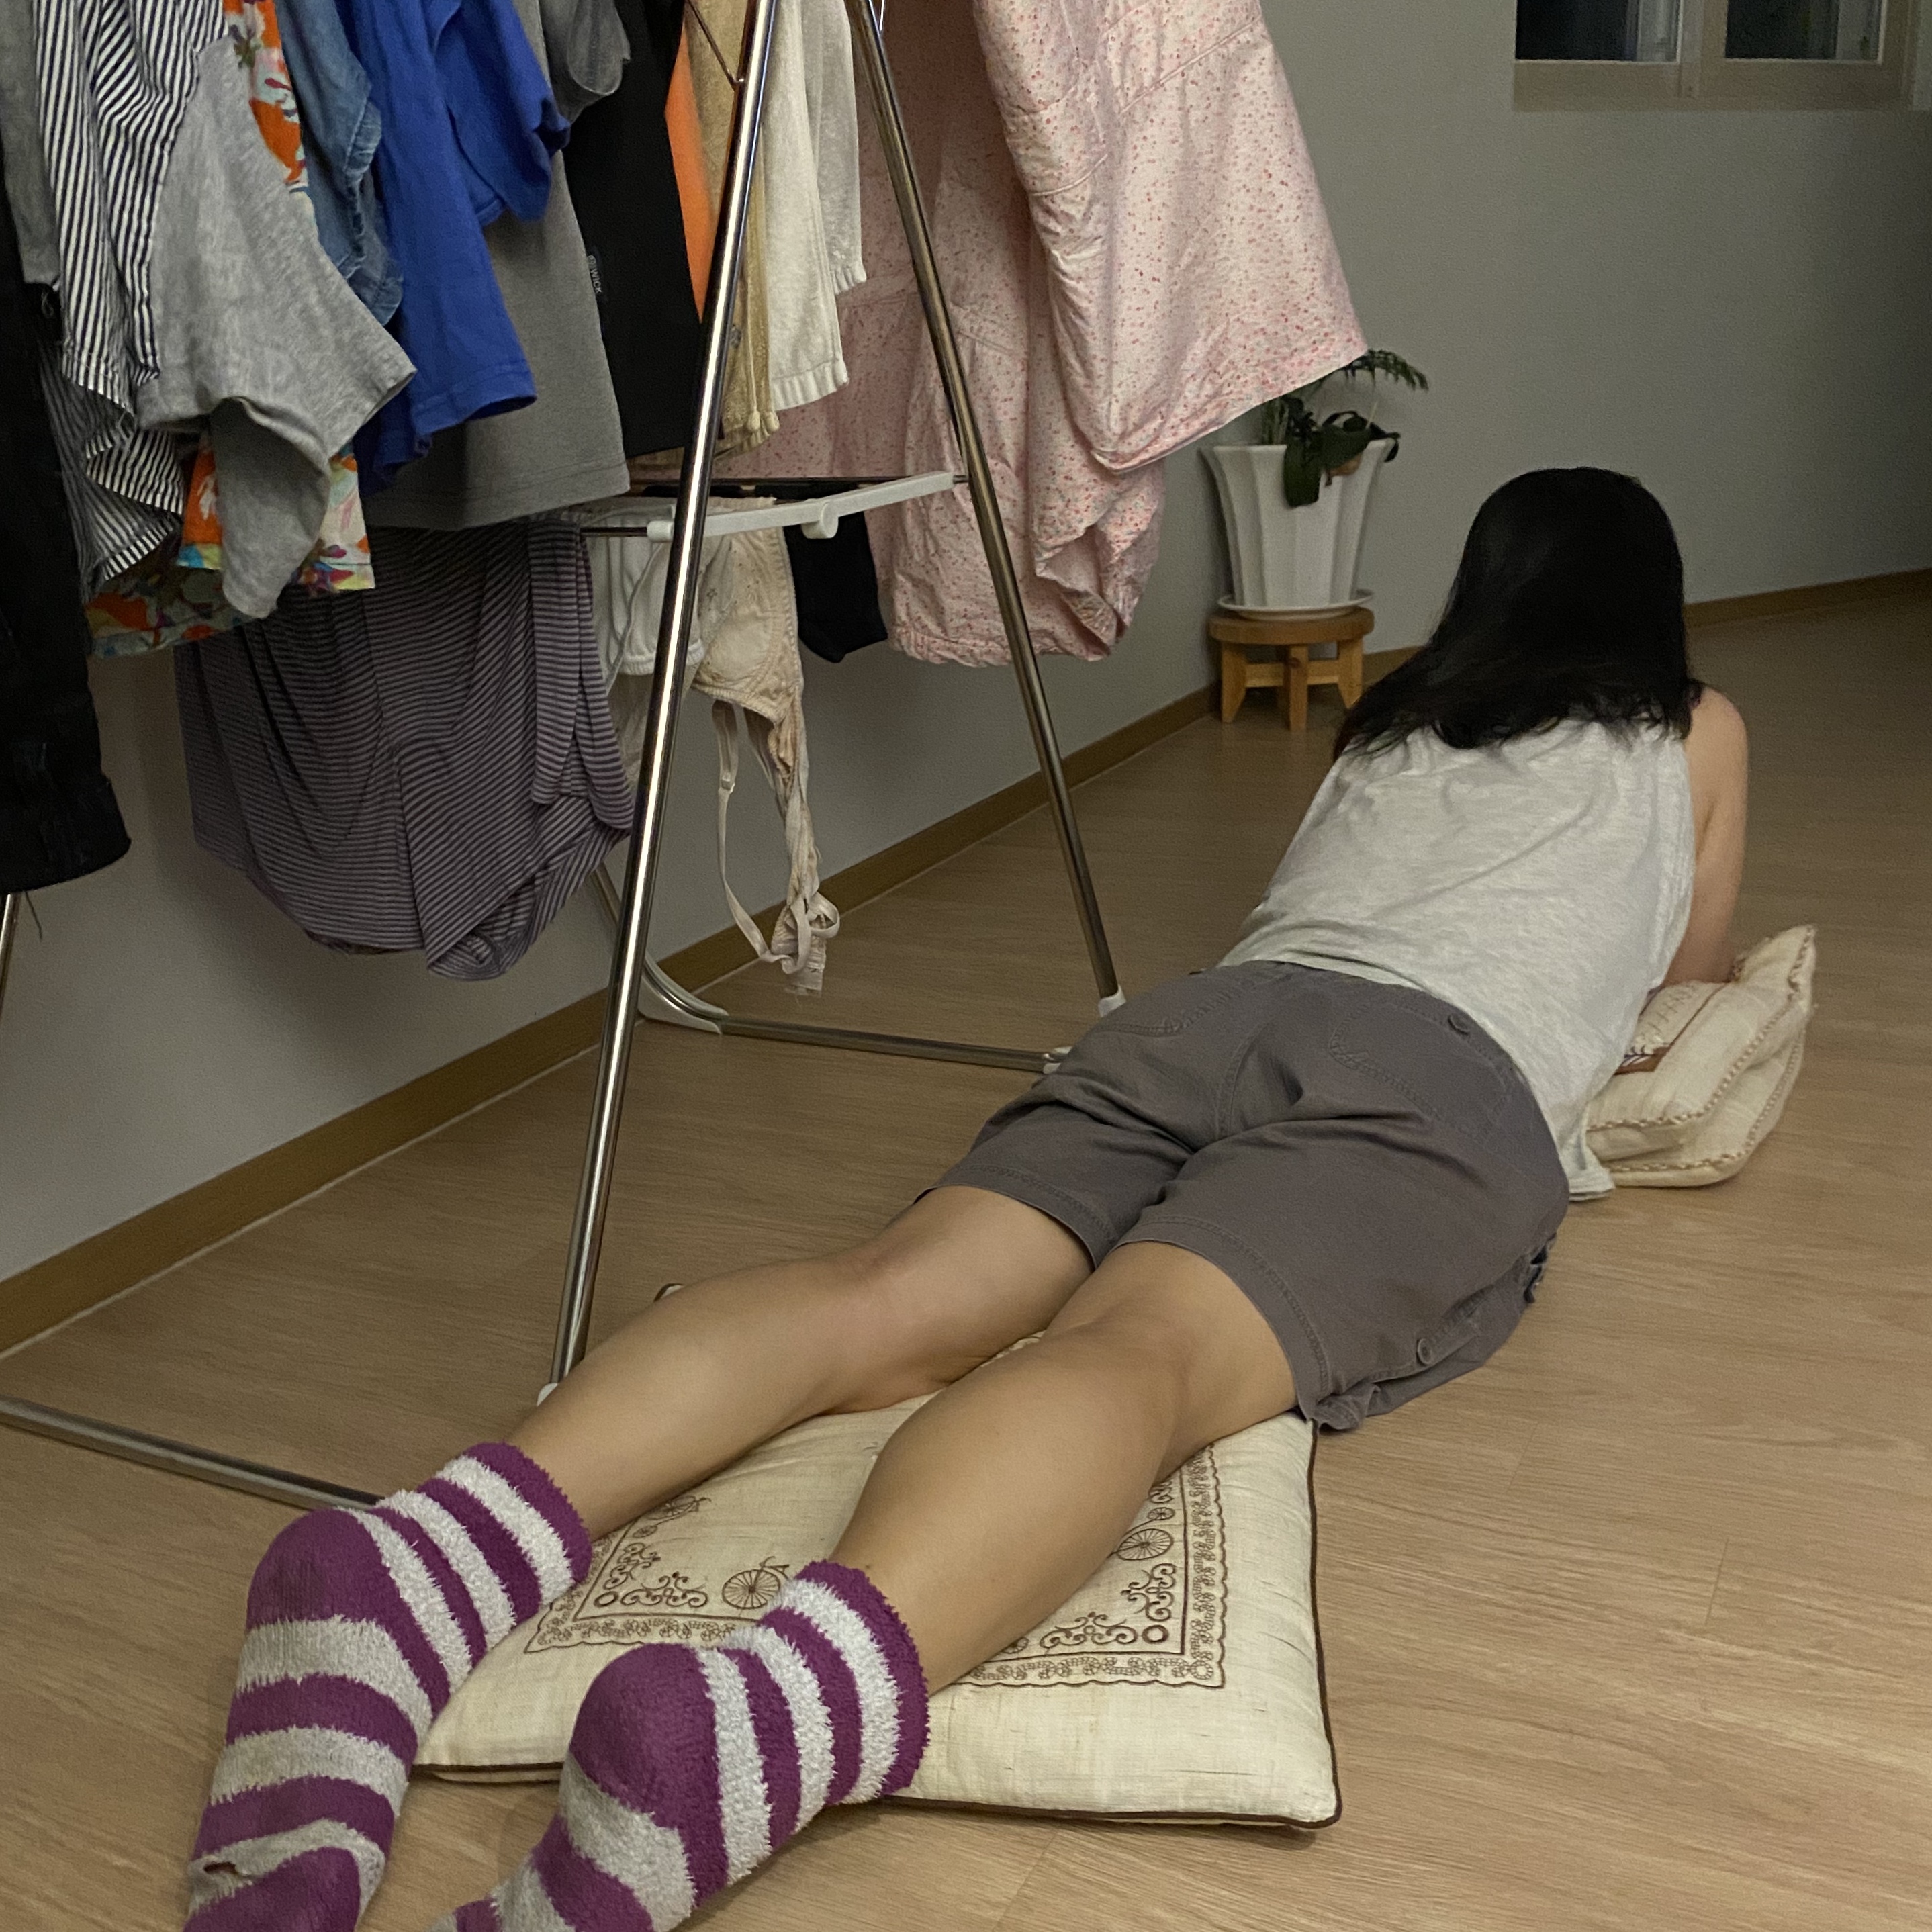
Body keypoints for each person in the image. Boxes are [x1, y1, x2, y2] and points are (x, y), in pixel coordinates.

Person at [180, 467, 1749, 1932]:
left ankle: (401, 1566)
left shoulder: (1392, 717)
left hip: (1209, 1012)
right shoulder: (1694, 728)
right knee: (1136, 1353)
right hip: (1433, 1071)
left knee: (893, 1291)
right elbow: (1677, 971)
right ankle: (756, 1722)